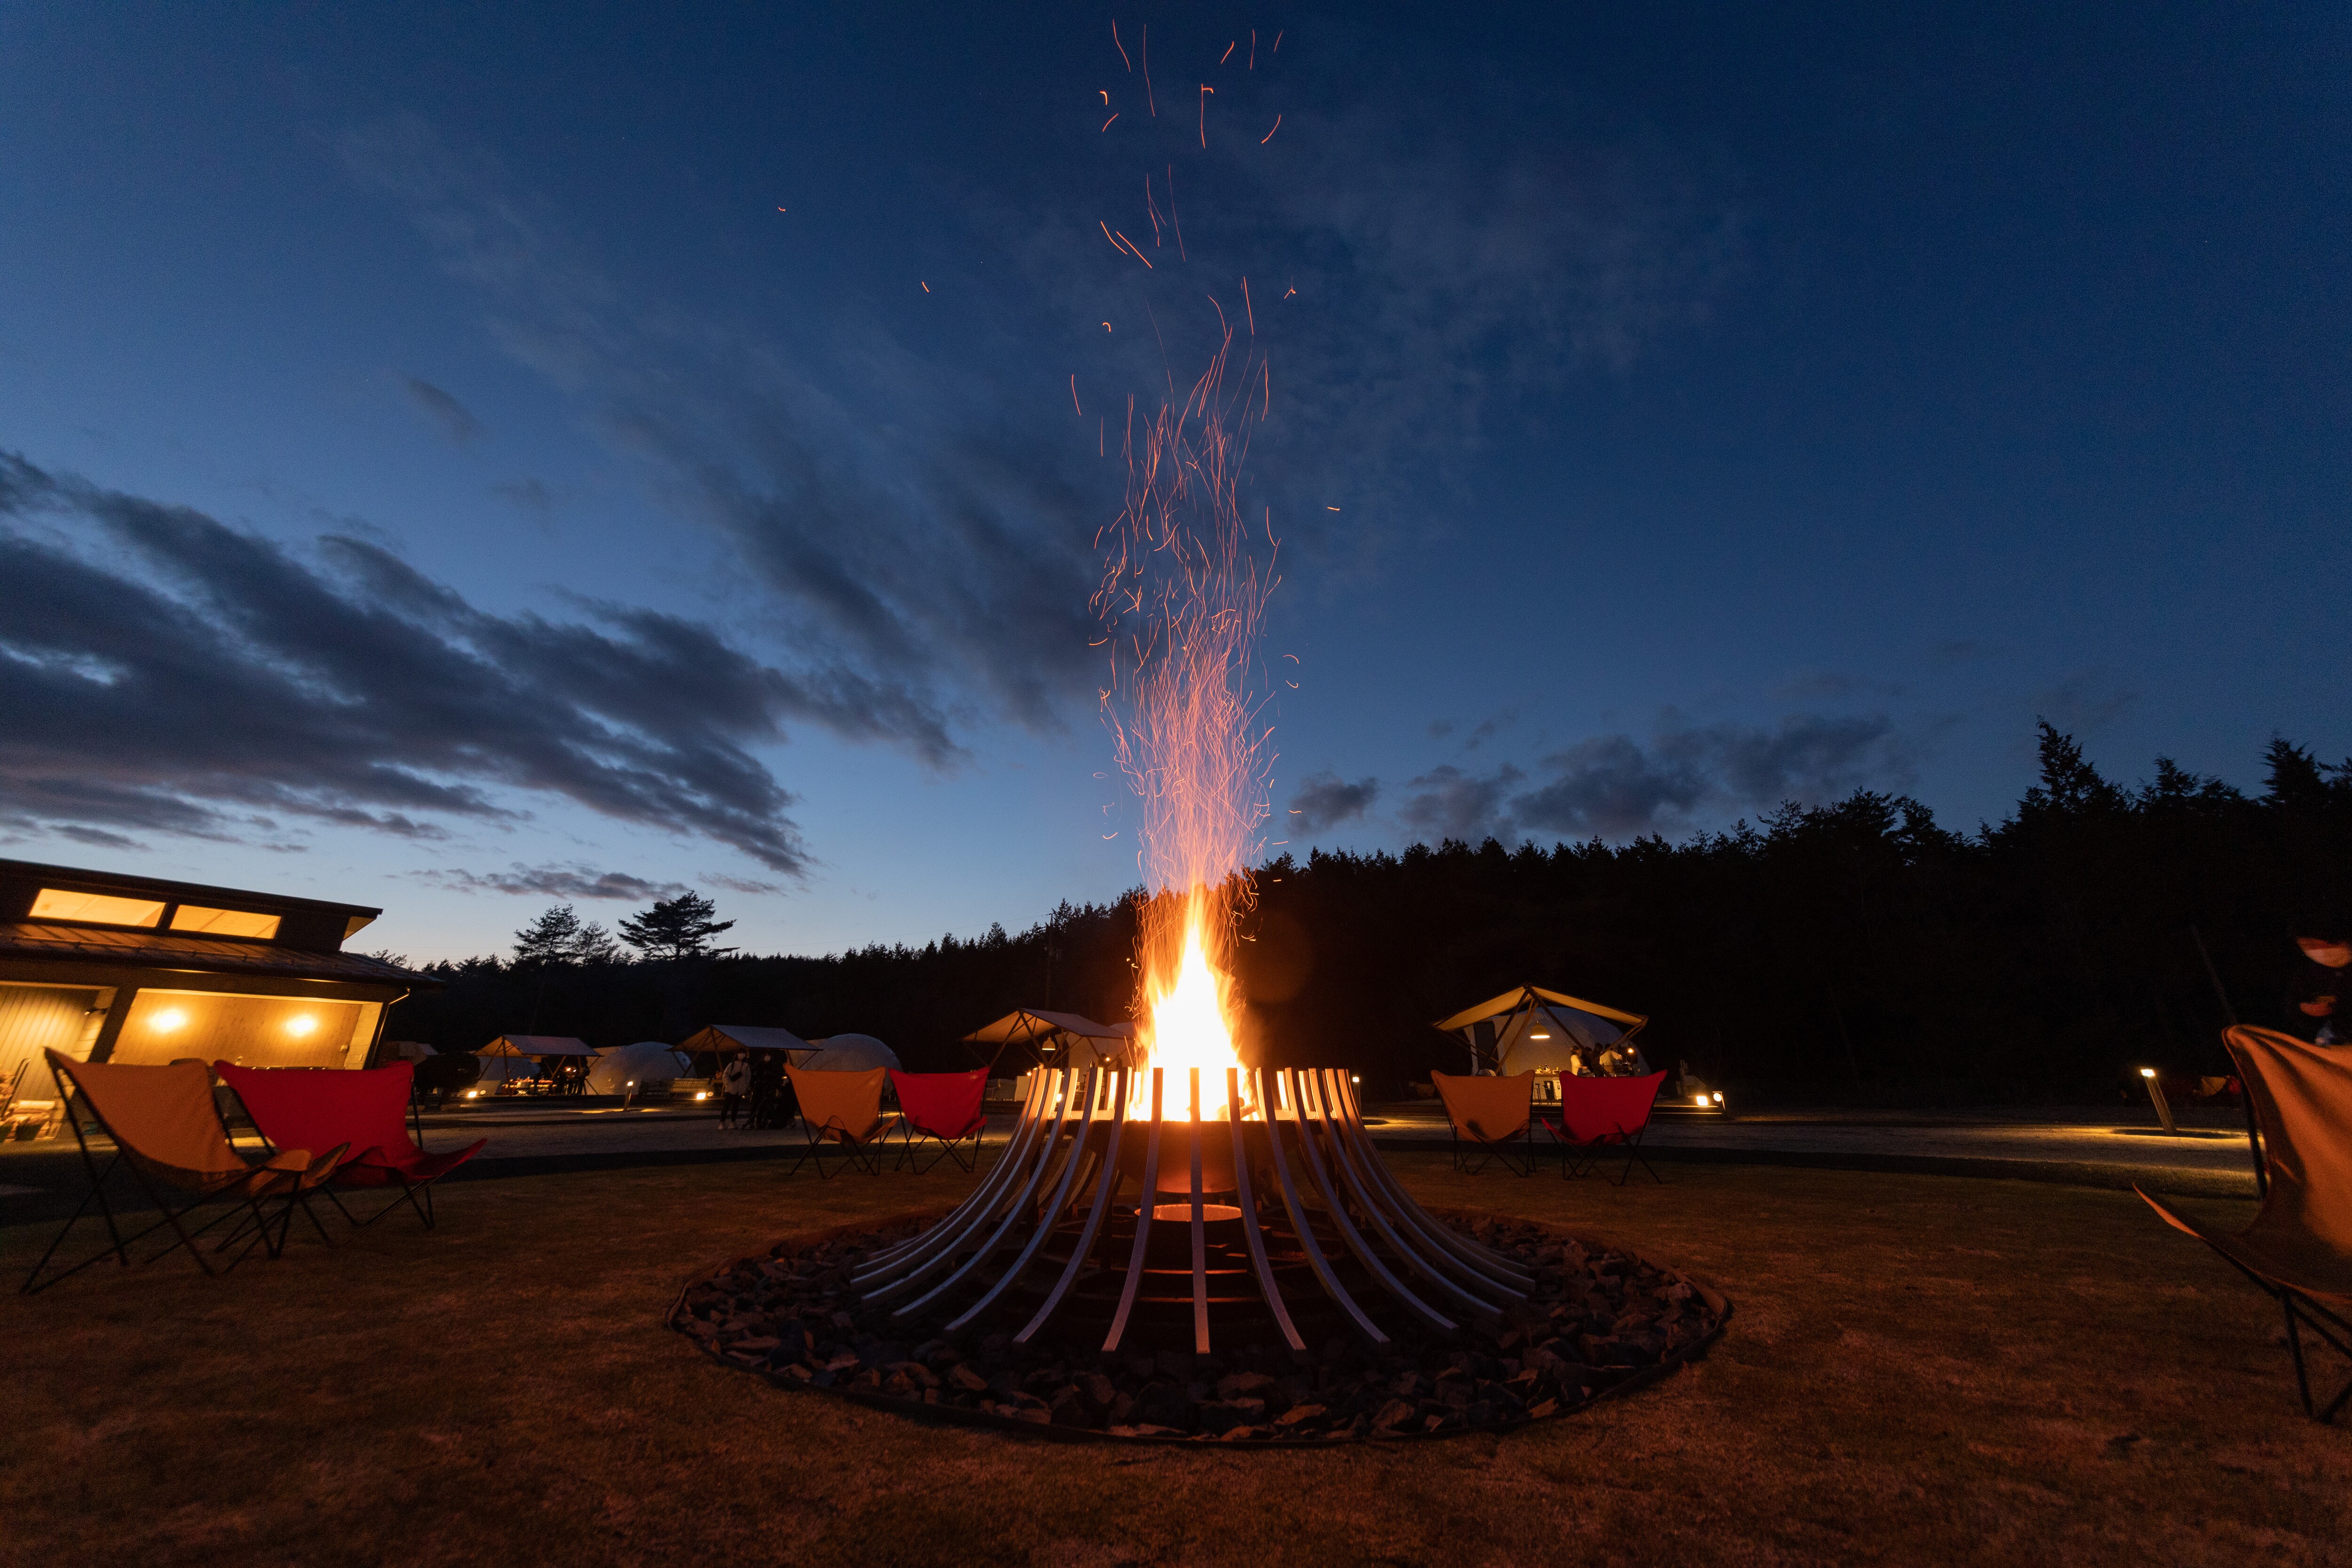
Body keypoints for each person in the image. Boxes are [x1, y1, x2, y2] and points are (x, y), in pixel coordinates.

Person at [2287, 933, 2352, 1046]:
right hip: (2326, 1049)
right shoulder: (2307, 972)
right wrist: (2304, 1010)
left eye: (2330, 943)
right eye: (2310, 945)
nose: (2320, 949)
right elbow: (2291, 1004)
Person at [718, 1052, 750, 1129]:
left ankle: (733, 1122)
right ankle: (722, 1123)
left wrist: (744, 1086)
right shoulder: (731, 1065)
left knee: (735, 1107)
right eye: (740, 1053)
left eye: (743, 1054)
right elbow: (725, 1075)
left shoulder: (746, 1066)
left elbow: (748, 1077)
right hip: (730, 1089)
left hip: (739, 1090)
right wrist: (728, 1084)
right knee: (726, 1106)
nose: (741, 1055)